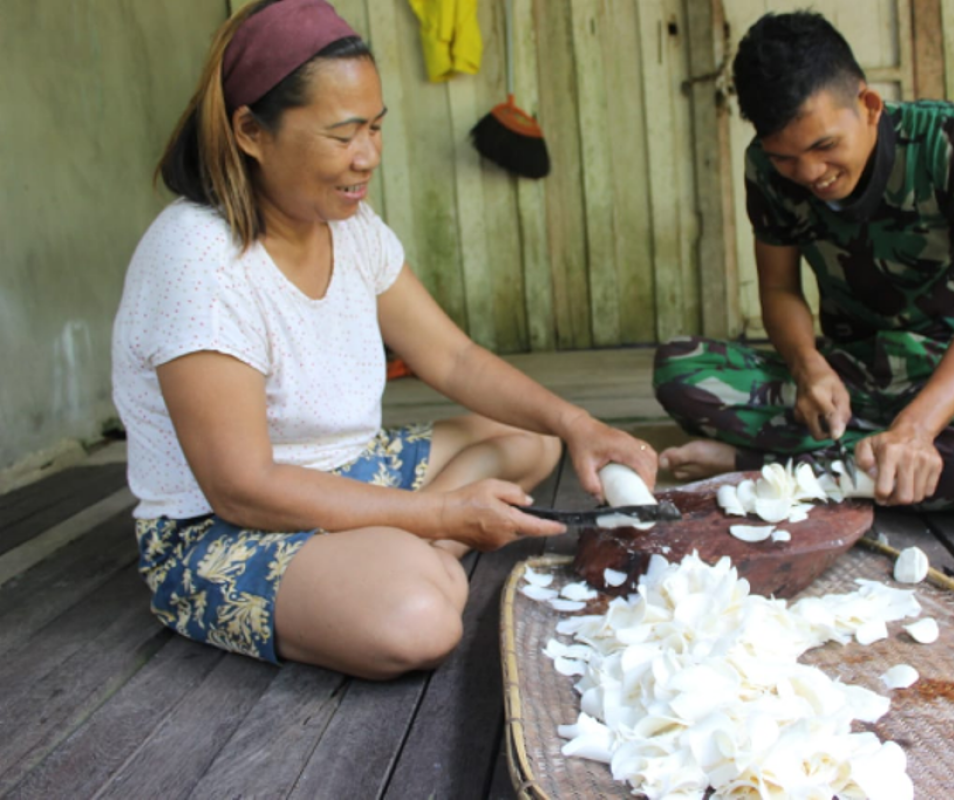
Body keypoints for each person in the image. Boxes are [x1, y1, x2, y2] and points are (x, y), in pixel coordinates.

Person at [111, 0, 656, 681]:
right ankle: (428, 546)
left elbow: (452, 357)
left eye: (375, 128)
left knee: (537, 439)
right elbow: (242, 489)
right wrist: (442, 513)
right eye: (343, 135)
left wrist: (580, 424)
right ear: (250, 130)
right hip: (222, 530)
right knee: (417, 622)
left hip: (352, 469)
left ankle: (417, 544)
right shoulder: (198, 258)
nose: (367, 157)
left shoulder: (350, 227)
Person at [653, 11, 954, 518]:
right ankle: (868, 465)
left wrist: (918, 428)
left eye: (824, 146)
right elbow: (780, 290)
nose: (810, 173)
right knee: (679, 367)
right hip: (849, 378)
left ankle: (766, 466)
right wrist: (809, 368)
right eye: (786, 158)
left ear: (869, 106)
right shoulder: (764, 169)